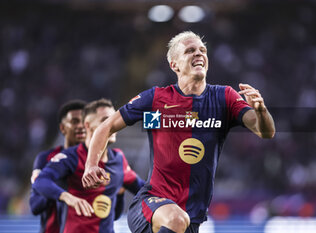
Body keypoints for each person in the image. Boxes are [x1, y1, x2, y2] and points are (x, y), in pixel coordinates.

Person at [82, 31, 275, 233]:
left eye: (202, 50)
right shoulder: (156, 98)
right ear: (175, 65)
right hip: (150, 205)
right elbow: (106, 126)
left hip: (191, 219)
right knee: (176, 219)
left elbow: (265, 131)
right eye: (190, 51)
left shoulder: (225, 98)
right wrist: (91, 165)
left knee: (179, 220)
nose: (199, 54)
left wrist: (261, 110)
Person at [33, 98, 145, 233]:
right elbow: (41, 181)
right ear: (87, 125)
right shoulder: (71, 157)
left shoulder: (119, 159)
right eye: (105, 120)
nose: (114, 125)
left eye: (114, 120)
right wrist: (68, 198)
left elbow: (143, 189)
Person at [30, 99, 87, 233]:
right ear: (62, 128)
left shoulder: (97, 161)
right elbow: (35, 206)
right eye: (74, 122)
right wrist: (58, 189)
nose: (80, 126)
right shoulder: (46, 159)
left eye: (84, 121)